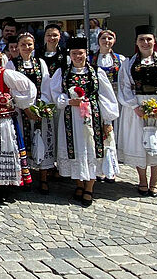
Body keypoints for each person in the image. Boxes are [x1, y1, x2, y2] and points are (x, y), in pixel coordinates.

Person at [50, 37, 119, 207]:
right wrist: (66, 101)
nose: (77, 56)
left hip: (93, 118)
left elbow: (106, 96)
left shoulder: (96, 72)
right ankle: (79, 184)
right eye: (74, 53)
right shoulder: (63, 71)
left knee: (92, 150)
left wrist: (107, 120)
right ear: (70, 54)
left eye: (80, 53)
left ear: (86, 53)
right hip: (71, 118)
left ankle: (89, 187)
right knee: (74, 149)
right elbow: (55, 93)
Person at [118, 25, 157, 198]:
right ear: (136, 42)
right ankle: (142, 181)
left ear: (154, 41)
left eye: (148, 39)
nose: (145, 43)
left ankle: (154, 182)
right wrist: (134, 107)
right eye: (141, 39)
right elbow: (124, 86)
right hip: (136, 108)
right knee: (139, 143)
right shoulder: (128, 63)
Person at [0, 45, 36, 200]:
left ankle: (2, 186)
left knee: (2, 150)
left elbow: (29, 89)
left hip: (2, 120)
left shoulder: (5, 73)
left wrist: (15, 100)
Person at [6, 33, 55, 194]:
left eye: (29, 44)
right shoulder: (12, 64)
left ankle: (43, 178)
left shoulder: (40, 63)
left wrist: (41, 107)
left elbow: (46, 85)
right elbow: (11, 89)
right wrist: (25, 107)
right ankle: (24, 177)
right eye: (23, 45)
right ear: (17, 47)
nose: (26, 48)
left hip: (38, 108)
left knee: (42, 139)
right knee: (22, 142)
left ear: (34, 46)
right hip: (21, 110)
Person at [90, 29, 126, 183]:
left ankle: (111, 168)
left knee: (112, 135)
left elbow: (125, 81)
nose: (106, 41)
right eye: (103, 38)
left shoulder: (121, 59)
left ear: (114, 40)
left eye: (110, 38)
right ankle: (98, 169)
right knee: (97, 134)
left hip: (114, 100)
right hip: (96, 100)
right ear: (98, 41)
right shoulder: (91, 59)